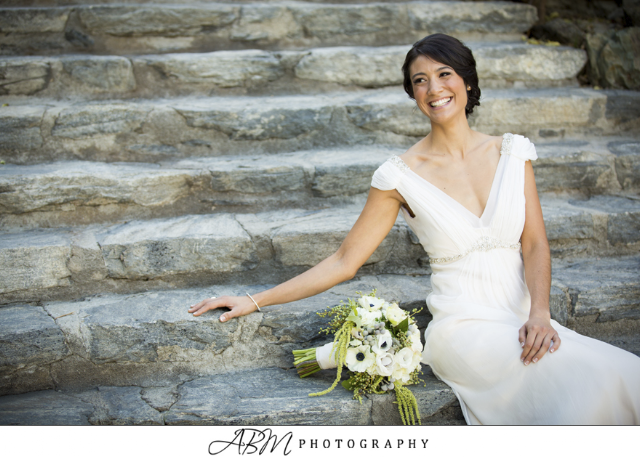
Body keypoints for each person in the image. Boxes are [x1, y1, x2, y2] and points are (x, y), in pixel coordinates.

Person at [189, 34, 640, 425]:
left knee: (622, 373)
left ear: (467, 81)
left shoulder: (512, 153)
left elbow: (535, 243)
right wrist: (255, 299)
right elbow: (345, 261)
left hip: (526, 317)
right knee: (579, 384)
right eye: (420, 80)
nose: (434, 88)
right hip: (465, 328)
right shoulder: (398, 176)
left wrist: (540, 313)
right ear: (413, 93)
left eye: (444, 74)